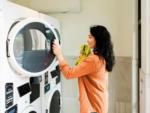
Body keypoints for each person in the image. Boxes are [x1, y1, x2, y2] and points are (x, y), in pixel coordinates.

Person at [52, 25, 115, 113]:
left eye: (90, 37)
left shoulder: (94, 60)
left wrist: (59, 54)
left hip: (94, 106)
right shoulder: (102, 57)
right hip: (100, 102)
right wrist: (84, 58)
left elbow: (69, 74)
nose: (87, 40)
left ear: (98, 40)